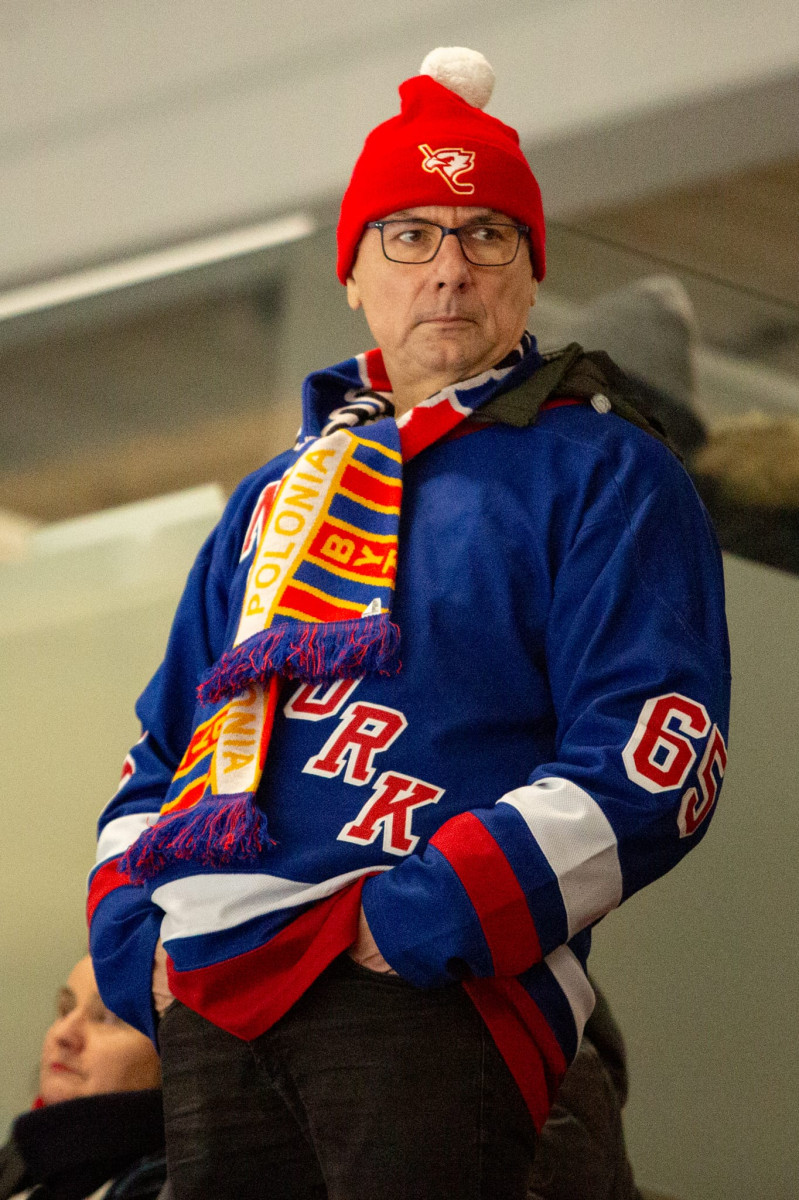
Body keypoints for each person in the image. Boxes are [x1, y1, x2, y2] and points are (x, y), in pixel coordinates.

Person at [87, 47, 730, 1200]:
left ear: (529, 276)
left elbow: (658, 749)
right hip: (213, 998)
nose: (449, 269)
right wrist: (145, 949)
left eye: (486, 235)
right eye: (411, 235)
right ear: (352, 273)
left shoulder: (605, 468)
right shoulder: (269, 497)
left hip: (427, 981)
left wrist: (420, 917)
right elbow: (161, 748)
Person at [0, 955, 166, 1200]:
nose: (62, 1034)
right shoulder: (18, 1158)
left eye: (107, 1018)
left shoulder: (175, 1182)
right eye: (65, 1010)